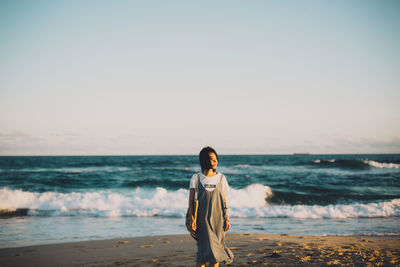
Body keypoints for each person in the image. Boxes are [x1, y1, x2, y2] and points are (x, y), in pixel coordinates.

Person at [187, 146, 234, 267]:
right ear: (203, 161)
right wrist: (192, 218)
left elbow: (224, 201)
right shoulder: (196, 178)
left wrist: (227, 218)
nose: (214, 162)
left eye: (215, 159)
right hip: (202, 221)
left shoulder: (221, 178)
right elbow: (191, 201)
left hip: (218, 220)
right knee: (203, 252)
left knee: (215, 255)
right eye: (211, 160)